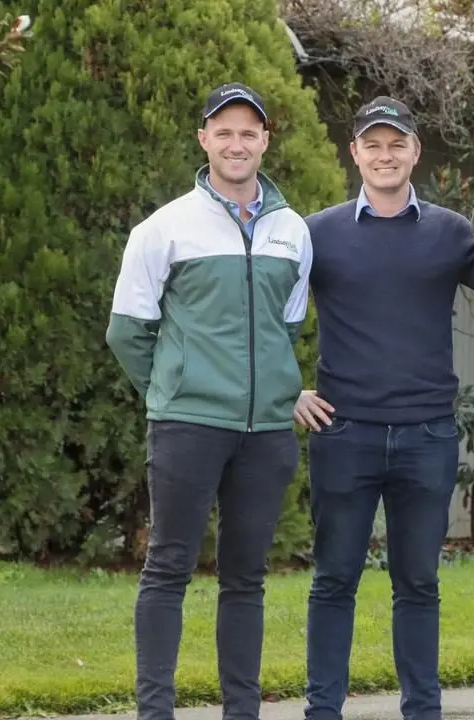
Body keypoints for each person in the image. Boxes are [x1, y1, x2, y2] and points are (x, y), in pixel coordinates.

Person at [294, 95, 474, 720]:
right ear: (354, 153)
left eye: (397, 143)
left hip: (425, 437)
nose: (385, 155)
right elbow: (271, 317)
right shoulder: (316, 233)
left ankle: (422, 711)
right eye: (373, 144)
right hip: (344, 435)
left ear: (415, 153)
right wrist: (287, 390)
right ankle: (321, 710)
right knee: (333, 582)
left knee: (418, 586)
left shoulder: (450, 232)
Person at [105, 82, 313, 720]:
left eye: (249, 132)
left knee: (245, 579)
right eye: (223, 131)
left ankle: (241, 711)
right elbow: (126, 331)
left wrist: (270, 391)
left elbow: (288, 327)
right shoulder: (164, 227)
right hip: (188, 428)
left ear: (264, 141)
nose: (236, 143)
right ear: (204, 140)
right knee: (168, 568)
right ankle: (155, 711)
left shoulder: (293, 231)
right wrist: (175, 389)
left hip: (267, 437)